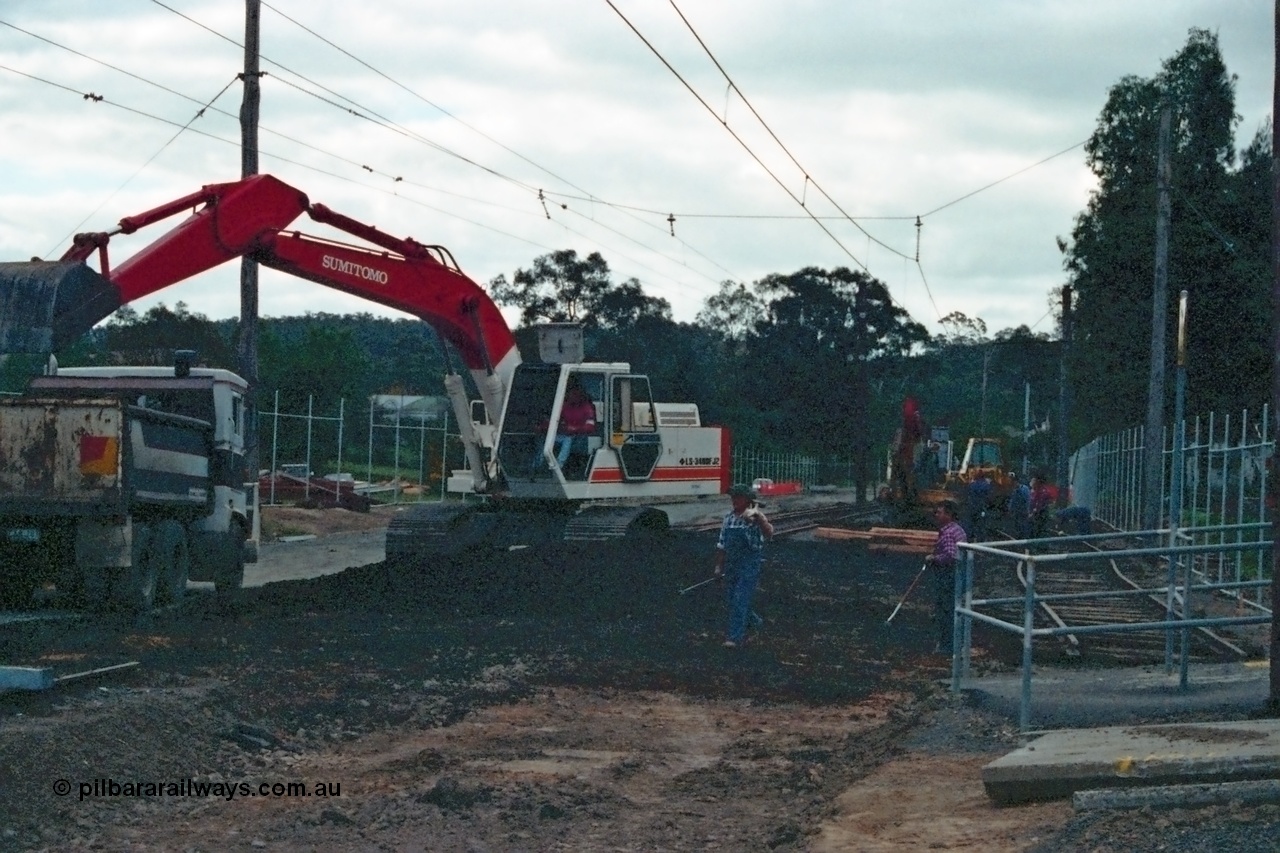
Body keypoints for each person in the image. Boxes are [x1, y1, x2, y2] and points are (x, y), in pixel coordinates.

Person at [713, 484, 774, 648]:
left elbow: (769, 534)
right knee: (733, 598)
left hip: (750, 563)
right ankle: (755, 621)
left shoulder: (756, 517)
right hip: (732, 563)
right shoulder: (728, 518)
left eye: (738, 497)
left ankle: (734, 637)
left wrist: (759, 520)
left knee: (740, 599)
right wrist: (718, 567)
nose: (734, 500)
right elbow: (722, 544)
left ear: (747, 500)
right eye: (733, 497)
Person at [925, 499, 967, 655]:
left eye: (940, 512)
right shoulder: (958, 529)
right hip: (958, 574)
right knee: (952, 609)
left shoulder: (948, 533)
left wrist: (934, 558)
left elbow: (951, 555)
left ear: (949, 515)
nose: (936, 514)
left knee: (945, 610)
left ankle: (946, 646)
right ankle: (955, 643)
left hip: (948, 575)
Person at [554, 381, 596, 470]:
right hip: (564, 433)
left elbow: (590, 427)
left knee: (567, 440)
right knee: (545, 439)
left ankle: (558, 466)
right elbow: (557, 420)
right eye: (571, 393)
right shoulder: (565, 406)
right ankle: (536, 465)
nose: (572, 396)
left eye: (575, 393)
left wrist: (575, 429)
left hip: (580, 436)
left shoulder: (587, 408)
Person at [963, 470, 993, 543]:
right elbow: (989, 498)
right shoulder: (987, 486)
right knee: (981, 527)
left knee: (971, 526)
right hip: (982, 509)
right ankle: (980, 544)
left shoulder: (972, 485)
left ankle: (969, 542)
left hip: (972, 508)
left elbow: (967, 496)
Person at [1007, 472, 1032, 540]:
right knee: (1017, 532)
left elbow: (1028, 501)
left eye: (1011, 481)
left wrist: (1028, 512)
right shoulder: (1014, 491)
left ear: (1015, 481)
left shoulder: (1024, 489)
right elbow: (1012, 503)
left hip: (1023, 515)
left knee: (1023, 531)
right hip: (1017, 515)